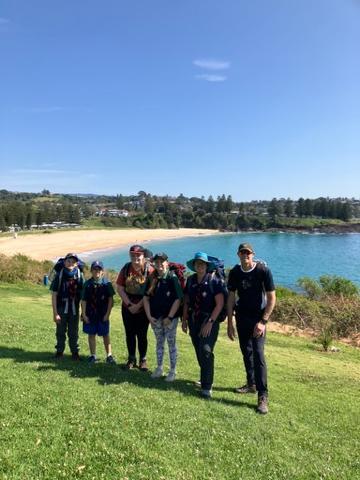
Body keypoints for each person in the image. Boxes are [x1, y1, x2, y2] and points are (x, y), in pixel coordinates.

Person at [227, 243, 276, 415]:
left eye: (248, 253)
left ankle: (263, 396)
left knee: (258, 354)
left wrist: (263, 321)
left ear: (253, 255)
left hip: (258, 319)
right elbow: (231, 297)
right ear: (238, 255)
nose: (245, 255)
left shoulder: (263, 271)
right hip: (241, 318)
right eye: (242, 253)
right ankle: (251, 384)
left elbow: (271, 298)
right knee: (245, 351)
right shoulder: (234, 273)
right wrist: (229, 323)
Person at [182, 252, 225, 399]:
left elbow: (219, 304)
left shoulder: (214, 280)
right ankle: (204, 376)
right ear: (194, 266)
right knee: (199, 350)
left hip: (209, 320)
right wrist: (184, 319)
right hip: (194, 320)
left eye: (202, 264)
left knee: (206, 350)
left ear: (207, 266)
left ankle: (207, 386)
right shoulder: (191, 280)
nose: (199, 266)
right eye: (197, 263)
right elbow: (187, 300)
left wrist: (210, 322)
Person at [143, 252, 183, 382]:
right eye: (157, 262)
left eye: (162, 261)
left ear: (167, 262)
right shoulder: (152, 277)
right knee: (159, 343)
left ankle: (172, 371)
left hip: (170, 319)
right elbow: (146, 298)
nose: (159, 264)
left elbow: (178, 299)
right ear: (154, 263)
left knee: (171, 344)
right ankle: (159, 368)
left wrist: (170, 317)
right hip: (155, 318)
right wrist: (149, 316)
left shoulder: (172, 278)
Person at [116, 245, 154, 370]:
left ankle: (143, 359)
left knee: (142, 334)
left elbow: (150, 291)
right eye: (133, 254)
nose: (135, 257)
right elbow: (120, 288)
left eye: (138, 255)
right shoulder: (126, 268)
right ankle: (131, 358)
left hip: (143, 307)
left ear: (143, 255)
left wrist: (138, 306)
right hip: (127, 306)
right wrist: (129, 305)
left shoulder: (150, 270)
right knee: (130, 334)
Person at [50, 253, 85, 360]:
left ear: (76, 264)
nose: (71, 263)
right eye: (69, 261)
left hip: (74, 308)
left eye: (73, 262)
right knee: (60, 331)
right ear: (64, 262)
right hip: (61, 307)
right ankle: (59, 352)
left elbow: (83, 296)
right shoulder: (59, 275)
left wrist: (83, 312)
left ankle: (75, 353)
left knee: (73, 331)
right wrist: (55, 313)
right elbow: (54, 294)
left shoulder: (79, 275)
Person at [81, 260, 116, 364]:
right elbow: (83, 300)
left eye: (99, 269)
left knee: (105, 334)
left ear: (102, 271)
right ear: (91, 271)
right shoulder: (87, 284)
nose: (97, 271)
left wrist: (107, 314)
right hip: (90, 314)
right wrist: (83, 314)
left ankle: (109, 355)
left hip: (103, 314)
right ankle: (93, 355)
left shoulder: (107, 283)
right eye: (94, 269)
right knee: (91, 334)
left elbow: (111, 300)